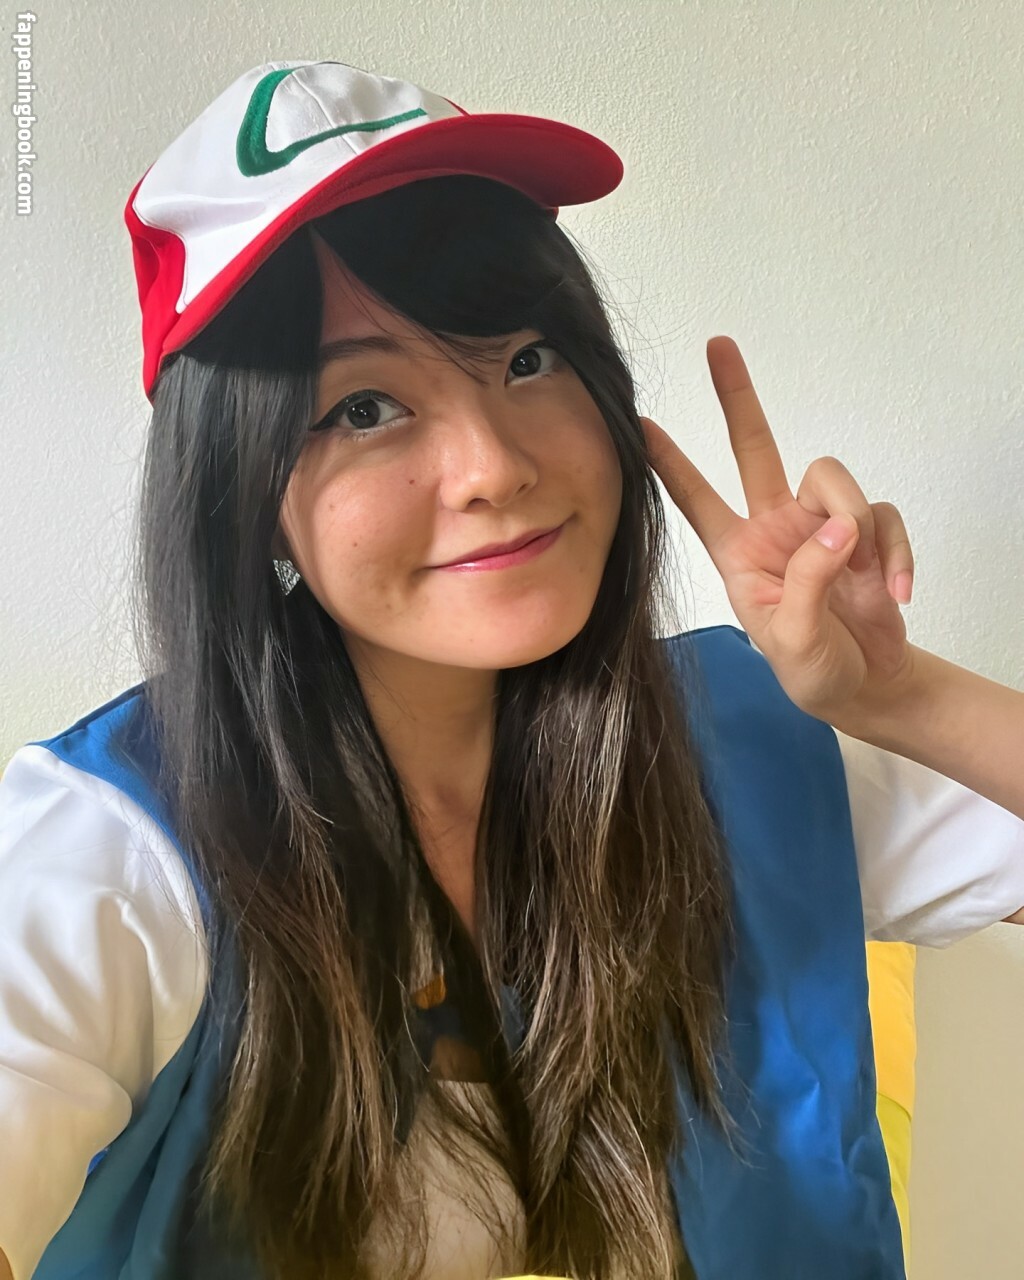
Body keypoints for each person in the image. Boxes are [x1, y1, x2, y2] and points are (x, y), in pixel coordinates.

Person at [1, 59, 1022, 1280]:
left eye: (526, 358)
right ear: (244, 491)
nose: (493, 463)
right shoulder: (115, 847)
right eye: (364, 406)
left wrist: (898, 699)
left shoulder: (745, 742)